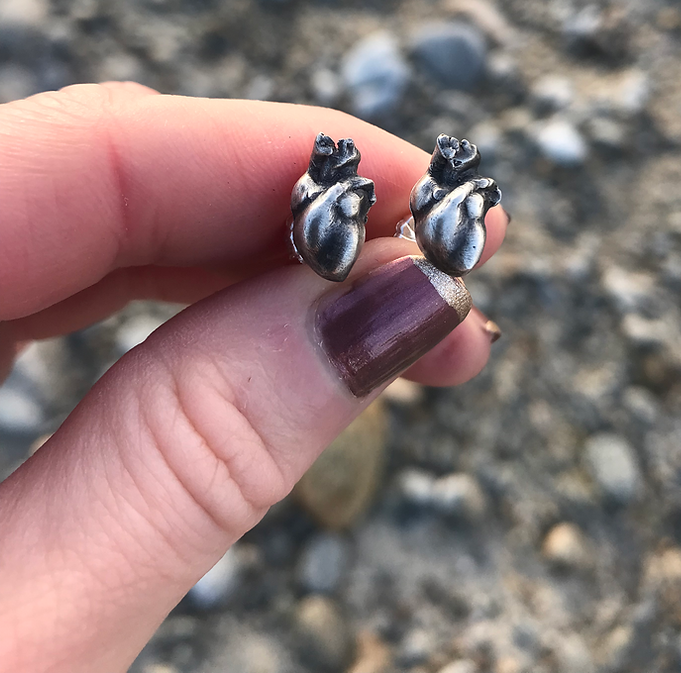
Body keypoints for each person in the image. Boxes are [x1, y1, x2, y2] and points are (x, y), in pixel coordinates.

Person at [0, 82, 508, 673]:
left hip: (379, 244)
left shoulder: (409, 191)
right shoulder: (327, 190)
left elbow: (407, 208)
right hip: (338, 248)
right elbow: (349, 209)